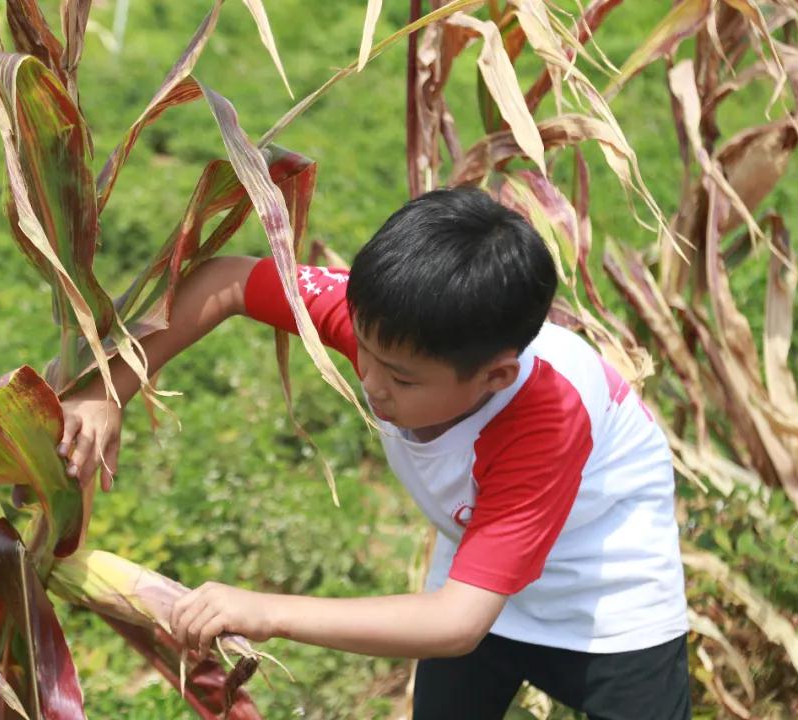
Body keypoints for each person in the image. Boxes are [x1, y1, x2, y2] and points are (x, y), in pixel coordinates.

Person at [57, 187, 691, 718]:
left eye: (402, 379)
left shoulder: (542, 421)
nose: (370, 381)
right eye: (362, 349)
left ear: (495, 376)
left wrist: (266, 611)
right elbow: (226, 281)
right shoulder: (394, 328)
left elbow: (455, 624)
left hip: (602, 589)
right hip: (479, 557)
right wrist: (108, 388)